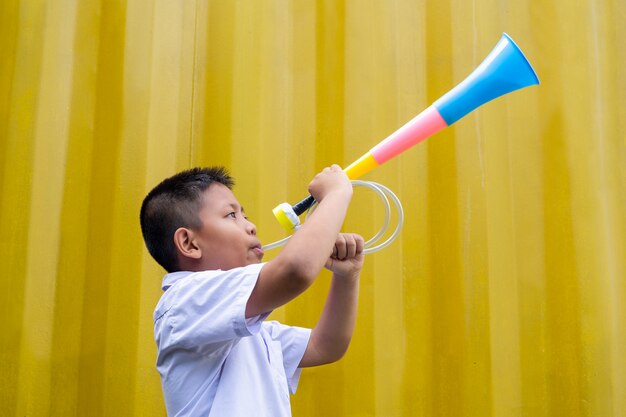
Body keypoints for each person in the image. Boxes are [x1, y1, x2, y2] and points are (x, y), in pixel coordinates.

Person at [139, 164, 364, 416]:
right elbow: (295, 270)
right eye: (231, 215)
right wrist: (336, 195)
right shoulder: (184, 302)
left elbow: (325, 346)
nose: (251, 226)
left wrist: (347, 277)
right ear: (189, 243)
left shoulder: (251, 333)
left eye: (244, 215)